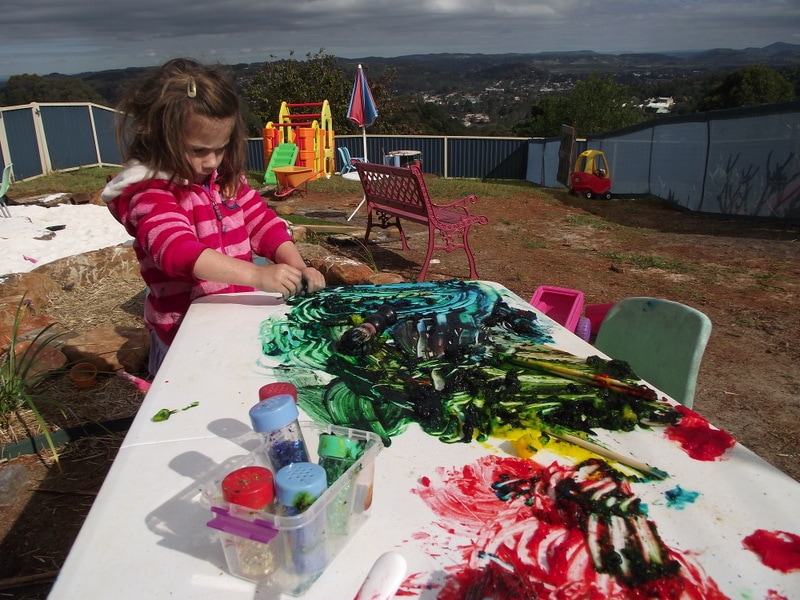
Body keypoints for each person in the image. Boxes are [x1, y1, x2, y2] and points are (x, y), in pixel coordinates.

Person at [102, 58, 325, 375]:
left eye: (220, 148)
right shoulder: (149, 194)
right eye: (198, 150)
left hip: (234, 317)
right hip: (185, 334)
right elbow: (176, 251)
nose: (212, 161)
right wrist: (258, 276)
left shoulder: (223, 180)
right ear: (159, 137)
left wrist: (297, 265)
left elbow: (262, 222)